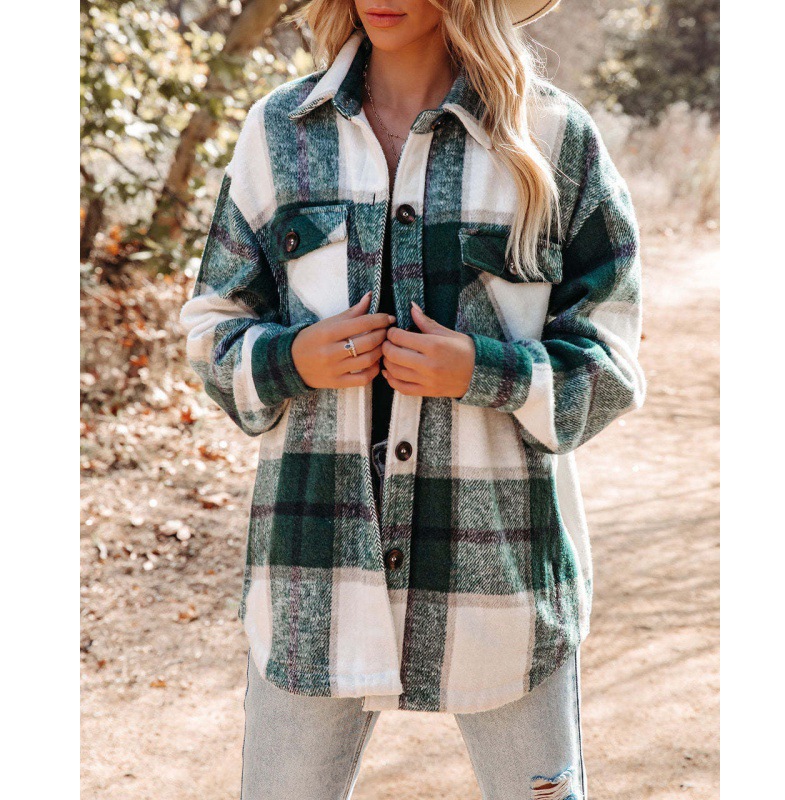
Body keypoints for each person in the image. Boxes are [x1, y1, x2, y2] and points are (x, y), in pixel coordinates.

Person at [179, 1, 647, 797]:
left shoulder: (553, 138)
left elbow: (610, 360)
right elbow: (213, 328)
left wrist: (485, 372)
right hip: (313, 581)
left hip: (501, 588)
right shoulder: (281, 132)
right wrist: (292, 359)